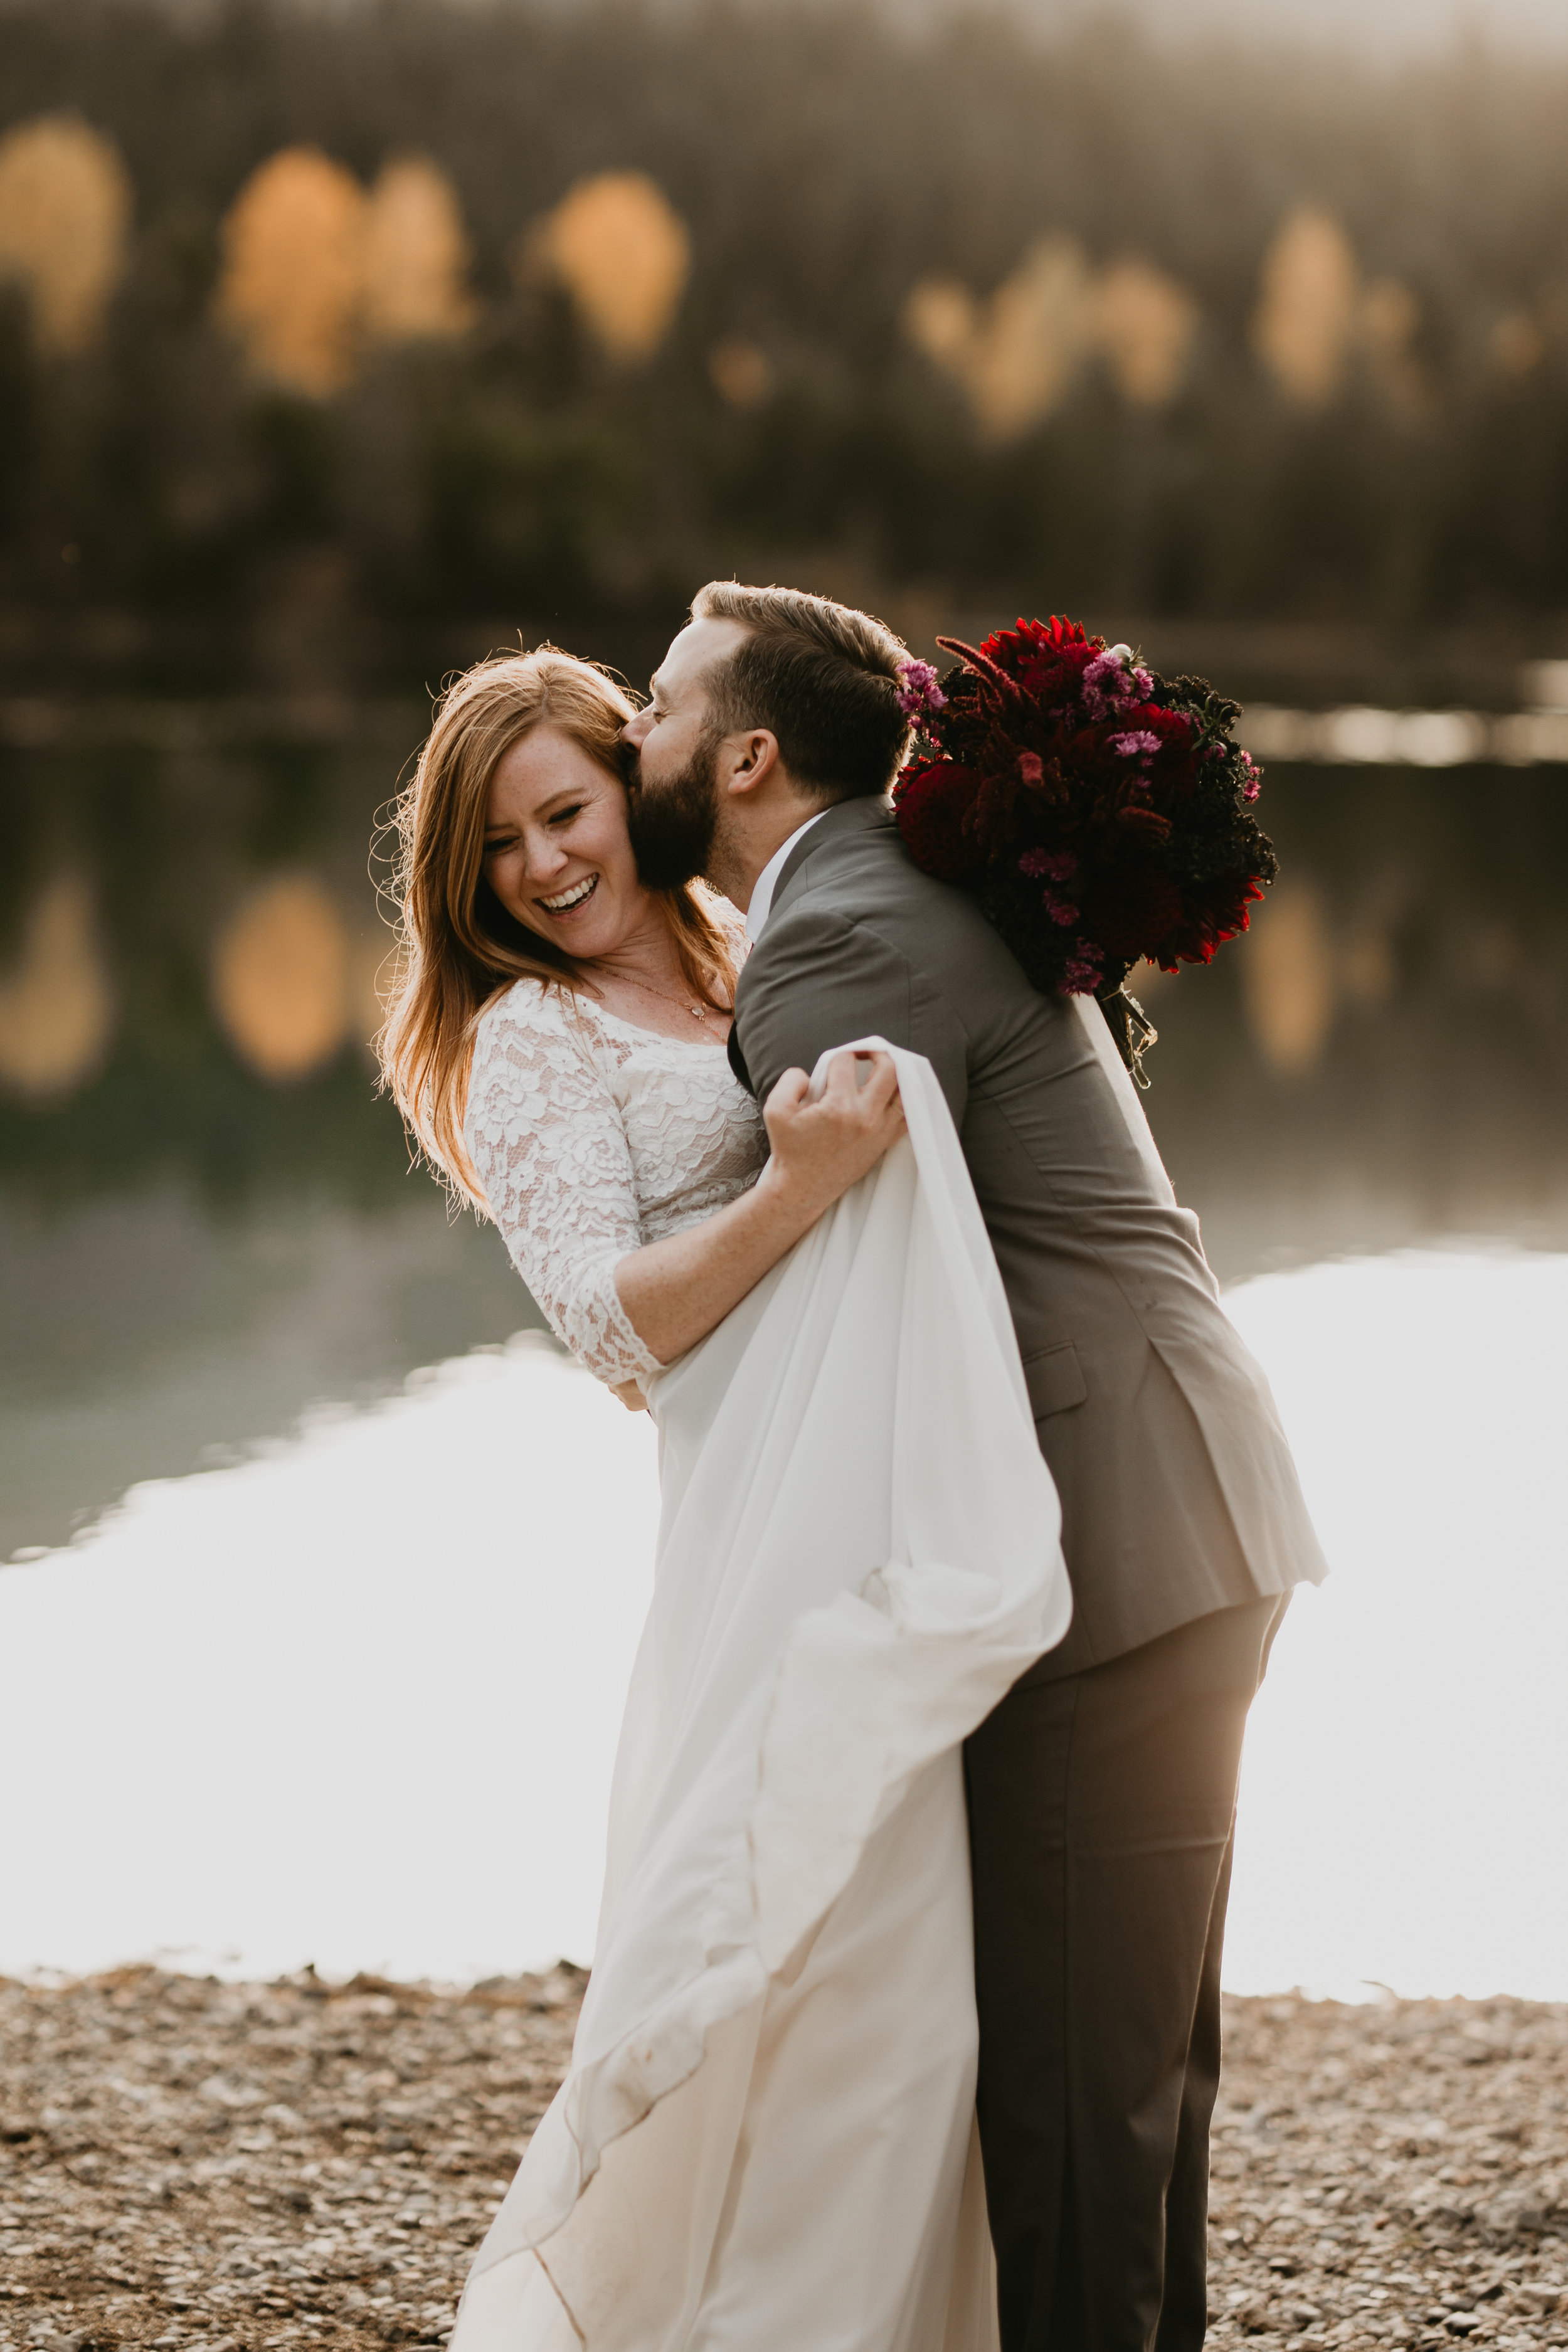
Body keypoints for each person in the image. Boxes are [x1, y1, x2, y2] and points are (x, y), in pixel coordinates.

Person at [625, 580, 1330, 2352]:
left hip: (1120, 1534)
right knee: (1126, 2090)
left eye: (653, 706)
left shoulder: (836, 934)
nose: (633, 733)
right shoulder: (904, 882)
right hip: (1165, 1507)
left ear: (745, 753)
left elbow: (800, 1290)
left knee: (1078, 2110)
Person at [378, 645, 1072, 2352]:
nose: (542, 866)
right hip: (758, 1514)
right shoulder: (535, 1039)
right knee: (775, 1914)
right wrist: (800, 1186)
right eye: (494, 851)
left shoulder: (764, 946)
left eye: (562, 812)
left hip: (880, 1479)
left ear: (633, 787)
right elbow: (610, 1328)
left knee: (903, 1935)